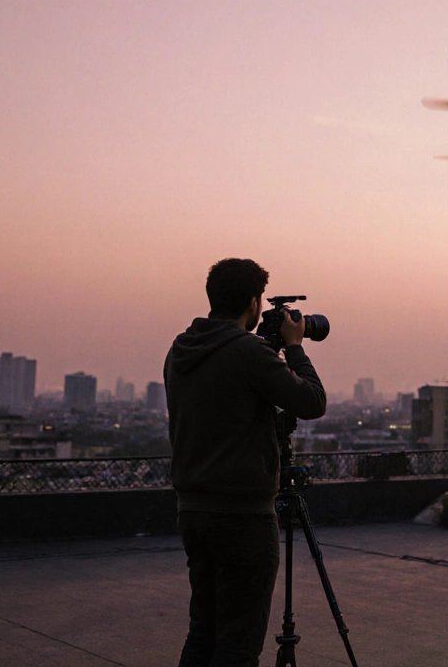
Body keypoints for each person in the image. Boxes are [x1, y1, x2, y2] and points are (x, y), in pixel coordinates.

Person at [165, 258, 326, 667]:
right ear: (255, 303)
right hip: (242, 518)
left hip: (193, 511)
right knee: (238, 643)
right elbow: (311, 401)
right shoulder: (248, 351)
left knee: (202, 632)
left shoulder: (181, 349)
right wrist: (293, 345)